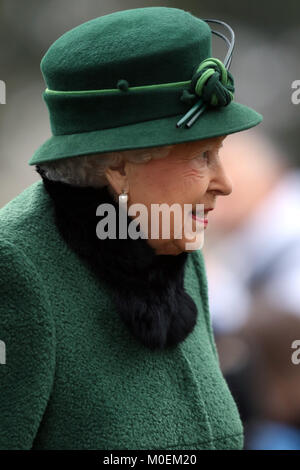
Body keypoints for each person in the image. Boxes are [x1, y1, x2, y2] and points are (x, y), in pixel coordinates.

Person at [0, 7, 262, 450]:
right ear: (119, 166)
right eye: (201, 156)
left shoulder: (173, 244)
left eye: (220, 152)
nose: (226, 183)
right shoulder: (17, 269)